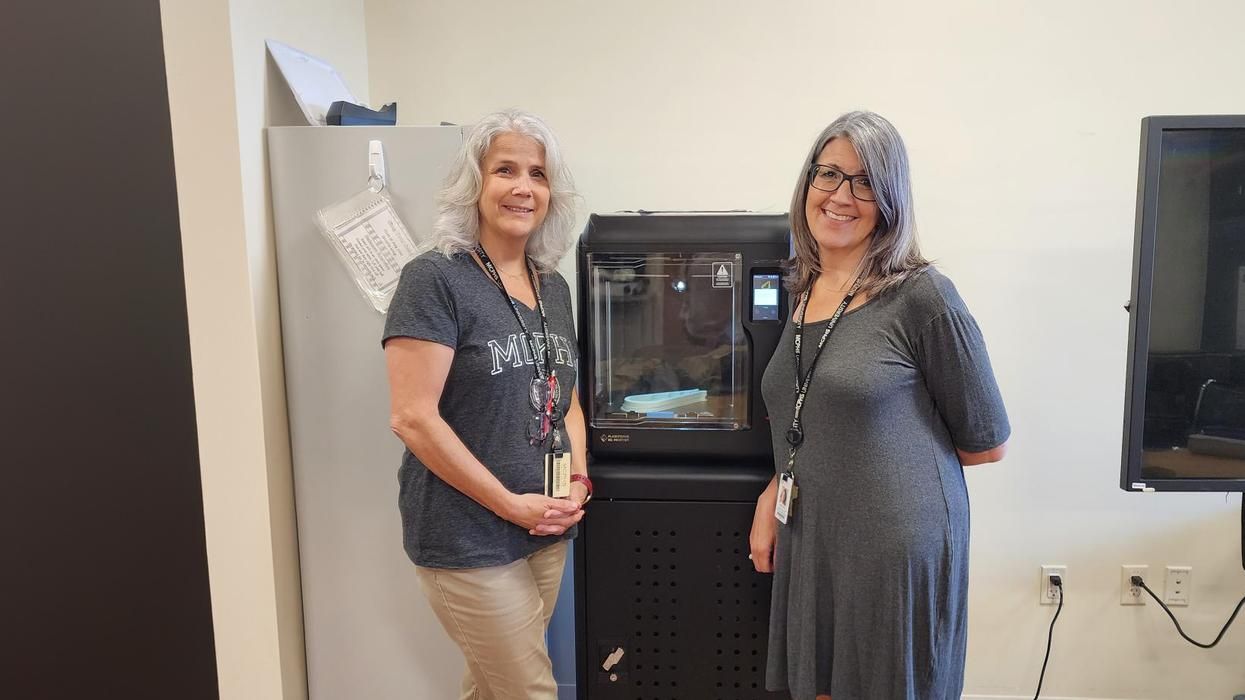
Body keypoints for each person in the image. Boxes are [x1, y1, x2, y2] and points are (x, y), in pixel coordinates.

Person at [749, 111, 1011, 700]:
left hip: (890, 548)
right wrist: (775, 490)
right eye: (829, 174)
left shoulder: (922, 297)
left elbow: (986, 442)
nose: (842, 196)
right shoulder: (804, 289)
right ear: (807, 183)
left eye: (865, 182)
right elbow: (814, 417)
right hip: (814, 534)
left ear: (891, 200)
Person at [383, 109, 591, 700]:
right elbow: (412, 417)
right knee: (529, 691)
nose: (524, 187)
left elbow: (565, 401)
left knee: (491, 687)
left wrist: (577, 480)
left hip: (544, 525)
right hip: (468, 533)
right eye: (506, 170)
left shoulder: (551, 283)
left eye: (538, 174)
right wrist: (509, 505)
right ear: (475, 184)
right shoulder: (435, 278)